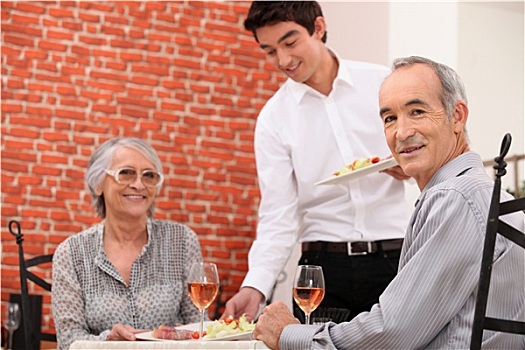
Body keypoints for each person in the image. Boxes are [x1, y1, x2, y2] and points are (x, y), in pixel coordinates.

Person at [252, 56, 525, 349]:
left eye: (417, 111)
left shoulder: (455, 197)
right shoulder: (482, 192)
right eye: (390, 119)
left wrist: (290, 336)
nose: (402, 133)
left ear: (457, 116)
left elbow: (393, 332)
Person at [223, 1, 409, 322]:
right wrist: (255, 286)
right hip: (322, 272)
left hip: (396, 259)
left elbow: (426, 150)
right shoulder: (273, 118)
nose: (283, 60)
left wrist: (413, 167)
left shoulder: (381, 84)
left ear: (318, 28)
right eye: (269, 51)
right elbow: (277, 216)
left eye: (290, 42)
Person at [52, 137, 202, 349]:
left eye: (149, 176)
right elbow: (69, 341)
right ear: (98, 184)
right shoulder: (72, 253)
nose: (139, 185)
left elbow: (198, 326)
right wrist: (108, 342)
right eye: (126, 173)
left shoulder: (182, 241)